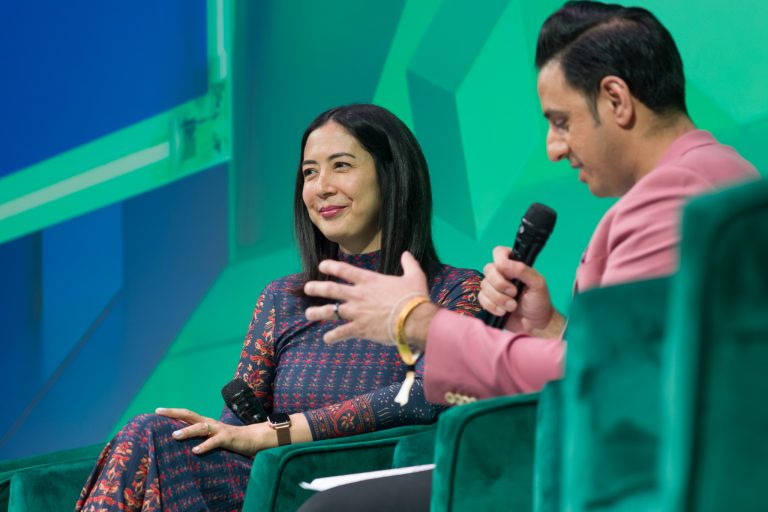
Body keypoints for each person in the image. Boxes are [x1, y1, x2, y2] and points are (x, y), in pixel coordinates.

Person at [298, 2, 759, 510]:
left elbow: (608, 387)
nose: (553, 148)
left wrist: (418, 322)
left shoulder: (670, 198)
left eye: (561, 122)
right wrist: (550, 329)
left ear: (616, 100)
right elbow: (655, 364)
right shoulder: (723, 171)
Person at [75, 104, 486, 511]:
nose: (321, 187)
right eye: (309, 172)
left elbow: (426, 395)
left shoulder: (457, 290)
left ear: (392, 174)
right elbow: (236, 431)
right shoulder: (283, 298)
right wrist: (235, 433)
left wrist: (276, 433)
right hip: (266, 488)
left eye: (341, 166)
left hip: (365, 490)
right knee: (153, 433)